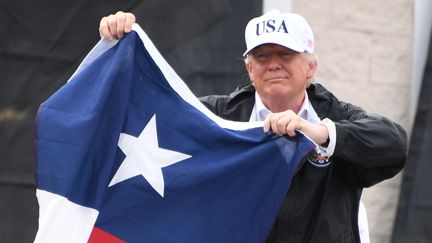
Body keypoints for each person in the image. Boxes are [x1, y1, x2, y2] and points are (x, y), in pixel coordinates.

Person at [99, 10, 407, 243]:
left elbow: (393, 143)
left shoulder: (334, 116)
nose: (273, 64)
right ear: (249, 69)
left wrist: (320, 134)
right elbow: (141, 113)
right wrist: (117, 48)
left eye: (285, 54)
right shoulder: (216, 116)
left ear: (311, 66)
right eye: (262, 56)